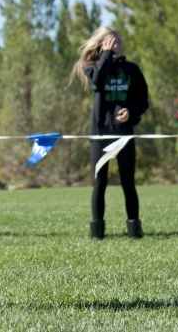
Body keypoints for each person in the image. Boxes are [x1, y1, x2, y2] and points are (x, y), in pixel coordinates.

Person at [72, 25, 149, 240]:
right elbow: (96, 83)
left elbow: (143, 101)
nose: (116, 46)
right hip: (100, 133)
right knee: (100, 183)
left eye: (118, 43)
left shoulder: (132, 70)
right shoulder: (93, 67)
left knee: (128, 182)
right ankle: (97, 232)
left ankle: (134, 230)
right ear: (101, 45)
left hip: (124, 133)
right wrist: (105, 55)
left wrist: (131, 112)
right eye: (110, 43)